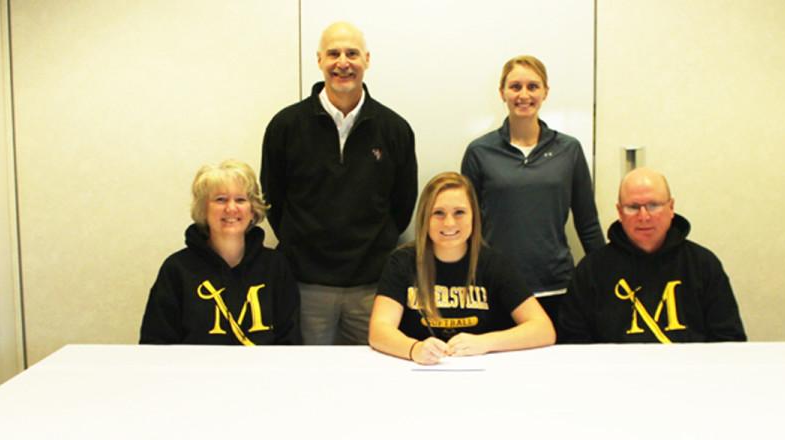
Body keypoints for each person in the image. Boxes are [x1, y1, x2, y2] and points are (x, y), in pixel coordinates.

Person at [261, 21, 417, 345]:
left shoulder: (395, 130)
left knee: (369, 380)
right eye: (333, 53)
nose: (342, 62)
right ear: (319, 60)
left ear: (367, 60)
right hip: (305, 287)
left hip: (372, 287)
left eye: (352, 53)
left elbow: (403, 205)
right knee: (308, 380)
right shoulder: (285, 126)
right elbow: (273, 199)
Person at [461, 55, 603, 325]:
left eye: (533, 86)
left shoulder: (569, 150)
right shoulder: (479, 152)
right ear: (502, 92)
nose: (523, 95)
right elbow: (466, 224)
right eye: (515, 87)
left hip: (556, 285)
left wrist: (606, 275)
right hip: (494, 286)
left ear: (545, 92)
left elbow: (587, 223)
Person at [369, 171, 555, 365]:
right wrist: (414, 349)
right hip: (420, 371)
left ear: (474, 216)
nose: (449, 223)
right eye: (438, 213)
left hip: (481, 371)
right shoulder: (402, 262)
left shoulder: (494, 264)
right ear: (425, 217)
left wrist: (486, 342)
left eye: (459, 212)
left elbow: (543, 329)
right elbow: (379, 330)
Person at [558, 168, 746, 343]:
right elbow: (574, 344)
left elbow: (729, 341)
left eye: (654, 205)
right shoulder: (591, 270)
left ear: (671, 207)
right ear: (619, 212)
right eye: (632, 207)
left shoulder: (703, 264)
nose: (644, 216)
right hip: (616, 375)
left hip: (689, 374)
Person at [139, 160, 301, 345]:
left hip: (262, 373)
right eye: (220, 199)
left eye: (240, 200)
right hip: (194, 372)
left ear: (252, 210)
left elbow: (290, 340)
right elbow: (156, 344)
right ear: (204, 209)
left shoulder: (275, 267)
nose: (231, 208)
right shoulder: (177, 270)